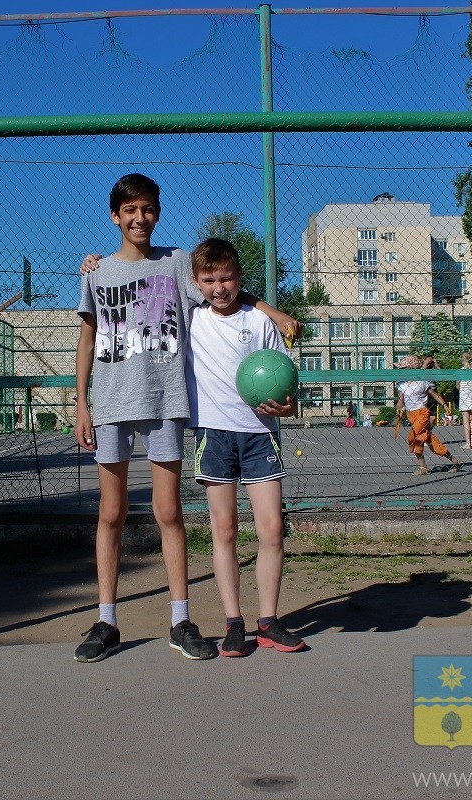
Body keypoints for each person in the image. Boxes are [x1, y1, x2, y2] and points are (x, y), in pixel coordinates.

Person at [73, 173, 299, 664]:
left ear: (157, 212)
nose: (139, 218)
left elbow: (224, 290)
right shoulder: (95, 272)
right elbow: (88, 339)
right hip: (111, 404)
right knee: (110, 514)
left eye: (147, 209)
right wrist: (81, 403)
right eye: (129, 210)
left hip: (165, 404)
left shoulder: (177, 263)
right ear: (115, 215)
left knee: (169, 512)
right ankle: (106, 620)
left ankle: (181, 619)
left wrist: (273, 312)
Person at [185, 238, 305, 656]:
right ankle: (233, 623)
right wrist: (96, 263)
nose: (220, 287)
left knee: (271, 528)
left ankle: (268, 621)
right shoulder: (192, 318)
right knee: (226, 530)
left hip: (260, 434)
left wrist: (289, 405)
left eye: (228, 277)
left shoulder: (258, 321)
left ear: (240, 278)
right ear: (197, 283)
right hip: (213, 434)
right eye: (210, 279)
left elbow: (282, 375)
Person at [395, 355, 462, 476]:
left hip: (422, 413)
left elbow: (434, 394)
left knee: (414, 437)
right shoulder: (401, 384)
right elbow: (401, 400)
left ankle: (423, 467)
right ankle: (455, 461)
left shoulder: (422, 382)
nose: (401, 370)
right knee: (429, 440)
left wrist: (445, 405)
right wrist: (399, 408)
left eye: (403, 368)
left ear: (411, 369)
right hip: (411, 415)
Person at [457, 351, 472, 449]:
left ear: (463, 359)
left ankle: (468, 443)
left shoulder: (460, 371)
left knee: (466, 421)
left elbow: (457, 386)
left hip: (464, 397)